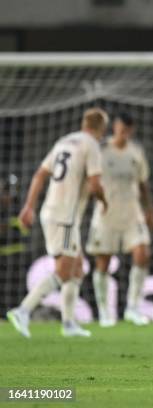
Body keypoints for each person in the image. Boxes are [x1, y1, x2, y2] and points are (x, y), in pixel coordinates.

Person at [7, 108, 108, 338]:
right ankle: (23, 310)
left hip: (52, 212)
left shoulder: (64, 141)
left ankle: (69, 323)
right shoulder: (91, 145)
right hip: (64, 217)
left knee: (78, 268)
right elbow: (95, 184)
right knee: (64, 271)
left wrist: (29, 206)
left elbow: (40, 175)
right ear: (101, 128)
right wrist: (104, 201)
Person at [86, 112, 153, 327]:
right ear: (114, 127)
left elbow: (143, 184)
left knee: (143, 253)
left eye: (128, 129)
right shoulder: (101, 149)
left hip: (132, 211)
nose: (124, 132)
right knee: (103, 262)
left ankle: (133, 309)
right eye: (121, 128)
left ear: (131, 130)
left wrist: (149, 209)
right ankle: (105, 313)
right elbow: (89, 178)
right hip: (106, 214)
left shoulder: (136, 152)